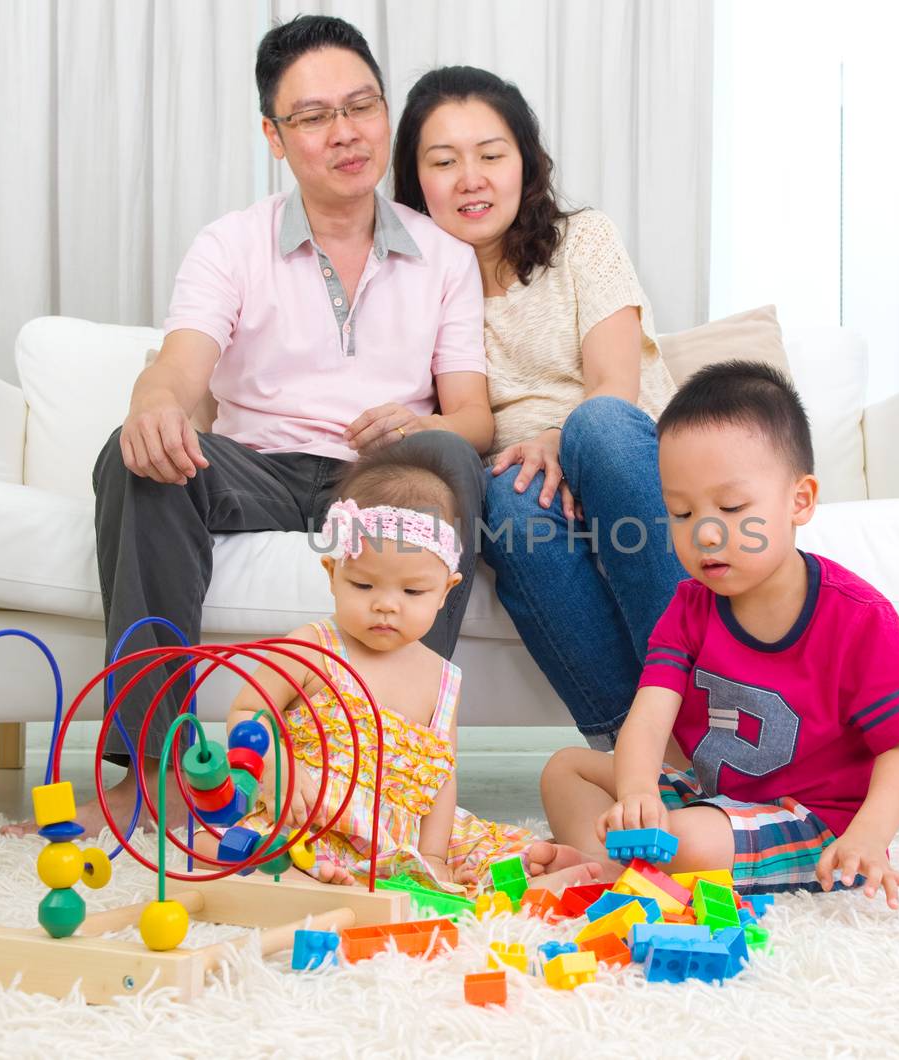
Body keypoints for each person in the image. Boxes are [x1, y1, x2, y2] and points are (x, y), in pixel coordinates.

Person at [88, 17, 494, 830]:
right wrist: (153, 402)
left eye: (362, 106)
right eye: (313, 117)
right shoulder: (229, 245)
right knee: (138, 458)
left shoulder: (444, 255)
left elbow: (476, 416)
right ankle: (160, 767)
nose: (346, 133)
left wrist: (425, 430)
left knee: (449, 459)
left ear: (386, 112)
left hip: (383, 476)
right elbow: (180, 365)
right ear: (275, 136)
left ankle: (392, 760)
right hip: (261, 467)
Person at [539, 362, 899, 906]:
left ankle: (613, 867)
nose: (704, 532)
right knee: (566, 769)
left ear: (799, 501)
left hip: (812, 821)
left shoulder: (859, 617)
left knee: (687, 840)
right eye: (681, 513)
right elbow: (650, 717)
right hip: (716, 797)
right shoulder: (688, 608)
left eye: (731, 508)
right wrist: (636, 796)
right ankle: (607, 866)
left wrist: (868, 836)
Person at [392, 66, 685, 750]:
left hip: (621, 454)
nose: (471, 178)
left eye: (492, 155)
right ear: (414, 182)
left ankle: (700, 699)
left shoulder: (584, 240)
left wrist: (559, 438)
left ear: (526, 163)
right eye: (444, 161)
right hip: (524, 484)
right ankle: (643, 755)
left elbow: (616, 384)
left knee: (598, 427)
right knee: (509, 499)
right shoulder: (412, 290)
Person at [223, 447, 601, 893]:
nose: (386, 603)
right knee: (261, 851)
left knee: (478, 847)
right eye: (363, 585)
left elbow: (441, 776)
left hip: (407, 833)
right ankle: (328, 876)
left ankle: (532, 869)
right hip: (318, 812)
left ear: (445, 591)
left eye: (413, 590)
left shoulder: (441, 679)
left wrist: (436, 856)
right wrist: (275, 763)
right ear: (331, 574)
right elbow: (247, 711)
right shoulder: (312, 647)